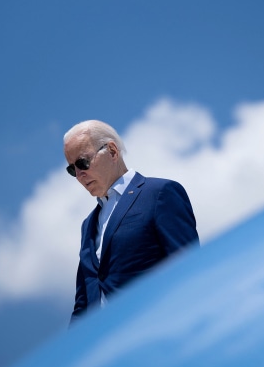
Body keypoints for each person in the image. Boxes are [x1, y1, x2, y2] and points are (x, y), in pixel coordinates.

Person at [63, 120, 199, 324]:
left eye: (83, 162)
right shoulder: (88, 225)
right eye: (72, 170)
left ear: (112, 151)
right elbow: (83, 303)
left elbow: (189, 268)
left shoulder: (159, 193)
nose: (79, 175)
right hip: (104, 347)